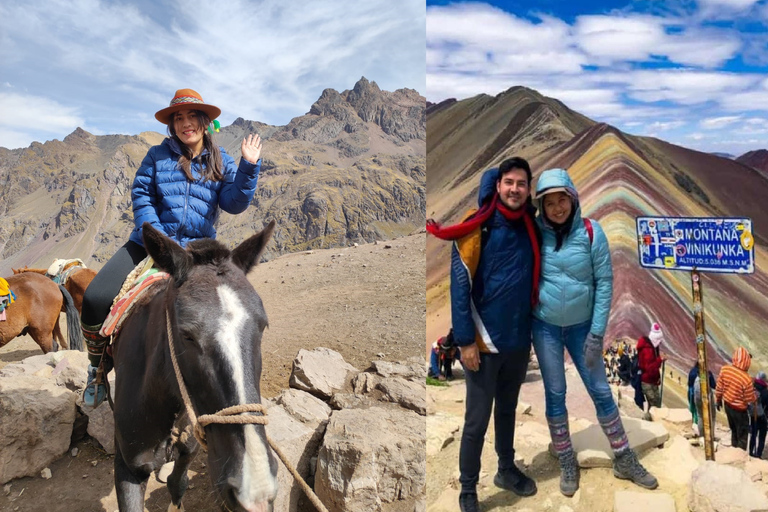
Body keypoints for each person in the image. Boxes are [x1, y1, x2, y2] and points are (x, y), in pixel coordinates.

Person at [80, 89, 264, 407]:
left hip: (197, 253)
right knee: (95, 299)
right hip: (149, 244)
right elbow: (142, 194)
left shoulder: (223, 162)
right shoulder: (157, 156)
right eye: (178, 117)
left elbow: (235, 203)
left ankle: (221, 381)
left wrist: (249, 167)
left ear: (206, 122)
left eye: (192, 115)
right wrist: (159, 239)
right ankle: (96, 370)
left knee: (228, 313)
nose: (185, 123)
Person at [529, 168, 657, 497]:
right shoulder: (533, 233)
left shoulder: (591, 232)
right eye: (549, 202)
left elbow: (604, 284)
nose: (557, 208)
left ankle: (624, 458)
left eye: (562, 200)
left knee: (600, 390)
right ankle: (567, 459)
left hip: (582, 327)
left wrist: (596, 334)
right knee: (555, 393)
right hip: (544, 326)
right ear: (540, 206)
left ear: (572, 197)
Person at [426, 157, 541, 512]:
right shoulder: (477, 227)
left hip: (518, 342)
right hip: (483, 343)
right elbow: (460, 289)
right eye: (509, 182)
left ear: (528, 188)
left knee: (507, 412)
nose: (515, 189)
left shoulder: (530, 227)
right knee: (476, 421)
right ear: (498, 184)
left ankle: (506, 470)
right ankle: (468, 490)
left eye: (521, 183)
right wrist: (464, 342)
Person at [715, 347, 758, 450]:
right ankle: (739, 456)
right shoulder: (746, 378)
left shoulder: (725, 370)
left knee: (733, 430)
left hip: (727, 406)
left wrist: (718, 399)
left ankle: (733, 450)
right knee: (742, 435)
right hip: (740, 411)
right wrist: (754, 396)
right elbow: (749, 399)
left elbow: (719, 387)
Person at [636, 323, 666, 409]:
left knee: (654, 405)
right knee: (655, 406)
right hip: (647, 381)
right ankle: (649, 421)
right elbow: (650, 368)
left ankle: (649, 420)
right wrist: (660, 359)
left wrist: (657, 377)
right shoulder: (647, 350)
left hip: (652, 381)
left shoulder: (652, 348)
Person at [687, 361, 716, 436]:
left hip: (693, 393)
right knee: (711, 416)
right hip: (703, 395)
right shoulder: (705, 374)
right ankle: (710, 435)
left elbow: (689, 383)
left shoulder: (692, 371)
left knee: (698, 414)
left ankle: (700, 434)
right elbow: (713, 385)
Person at [750, 371, 768, 458]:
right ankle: (758, 454)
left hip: (753, 415)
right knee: (762, 436)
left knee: (753, 434)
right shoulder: (765, 391)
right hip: (763, 417)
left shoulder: (752, 388)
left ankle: (750, 452)